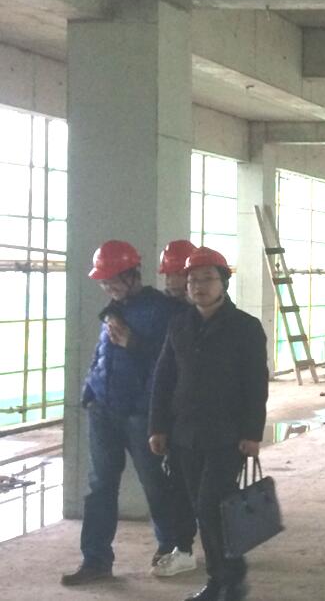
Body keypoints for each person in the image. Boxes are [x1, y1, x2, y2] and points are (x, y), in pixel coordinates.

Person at [149, 247, 269, 601]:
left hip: (227, 436)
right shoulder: (180, 325)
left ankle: (230, 578)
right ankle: (222, 581)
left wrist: (252, 433)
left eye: (207, 279)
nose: (198, 286)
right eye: (192, 280)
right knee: (206, 510)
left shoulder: (245, 327)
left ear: (223, 283)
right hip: (185, 434)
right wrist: (158, 427)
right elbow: (163, 378)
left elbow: (256, 384)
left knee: (210, 505)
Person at [61, 240, 183, 586]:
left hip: (141, 414)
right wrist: (89, 393)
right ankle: (96, 560)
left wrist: (135, 343)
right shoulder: (114, 309)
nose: (108, 287)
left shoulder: (162, 310)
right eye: (104, 282)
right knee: (100, 486)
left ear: (132, 275)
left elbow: (173, 362)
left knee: (154, 483)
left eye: (113, 279)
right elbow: (102, 355)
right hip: (104, 410)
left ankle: (170, 548)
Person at [148, 239, 200, 578]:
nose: (171, 283)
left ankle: (225, 547)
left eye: (176, 275)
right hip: (178, 417)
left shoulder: (223, 319)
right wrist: (159, 424)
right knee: (178, 488)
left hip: (213, 420)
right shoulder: (167, 315)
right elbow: (163, 376)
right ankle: (181, 546)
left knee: (212, 490)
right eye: (167, 276)